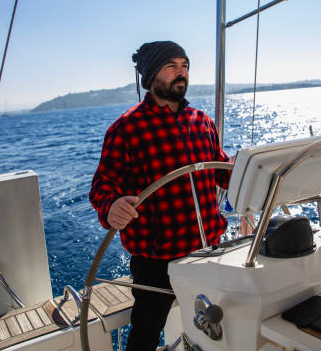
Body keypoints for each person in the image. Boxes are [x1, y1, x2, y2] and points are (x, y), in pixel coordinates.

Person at [89, 41, 230, 350]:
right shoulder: (127, 129)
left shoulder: (202, 121)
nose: (182, 72)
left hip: (209, 249)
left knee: (220, 323)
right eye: (172, 66)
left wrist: (252, 171)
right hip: (157, 260)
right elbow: (102, 185)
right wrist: (110, 205)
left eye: (185, 65)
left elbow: (222, 169)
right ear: (152, 76)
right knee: (146, 333)